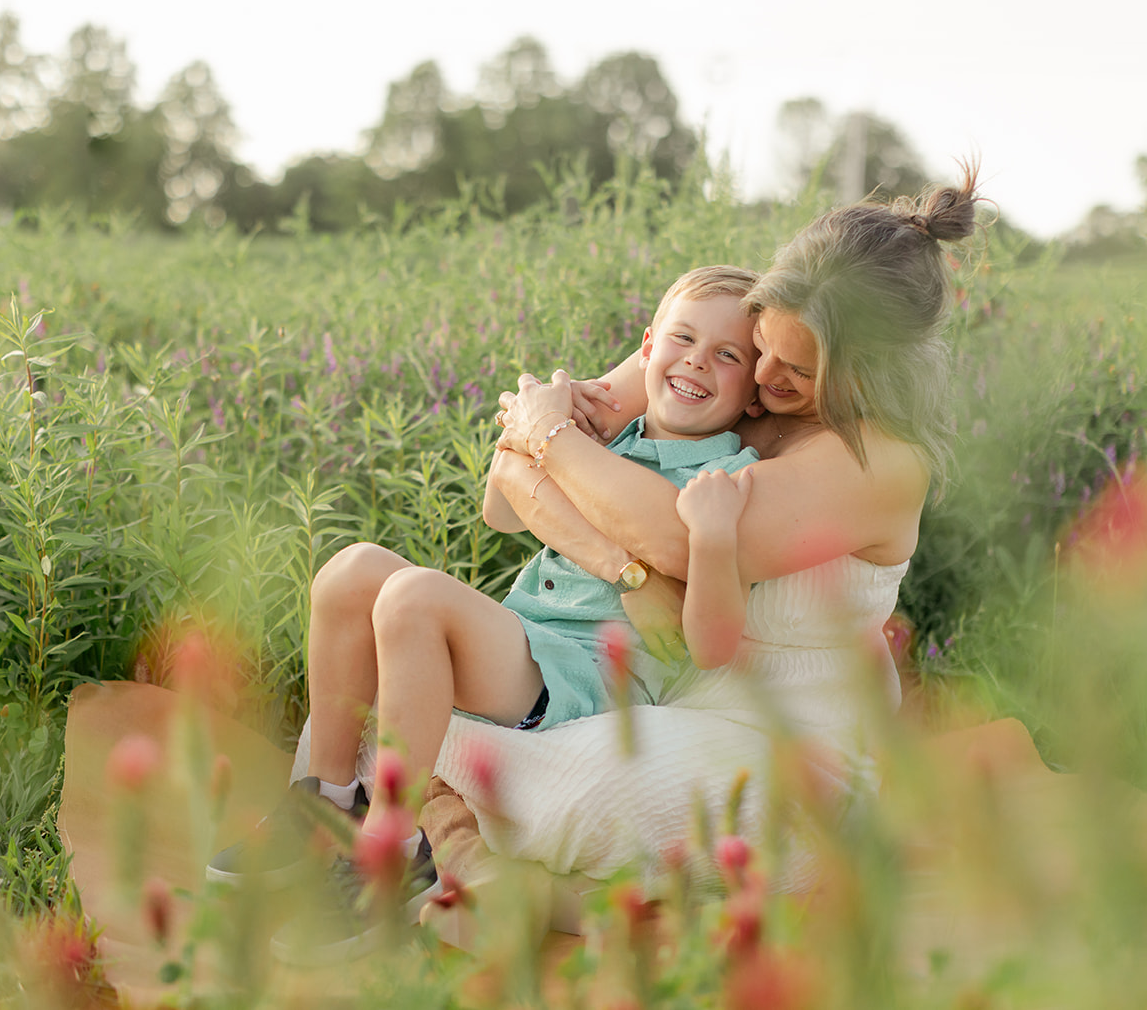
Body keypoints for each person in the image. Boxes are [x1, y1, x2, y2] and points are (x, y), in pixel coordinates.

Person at [423, 167, 981, 893]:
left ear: (870, 371)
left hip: (782, 735)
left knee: (586, 789)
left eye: (800, 369)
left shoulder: (880, 462)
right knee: (425, 701)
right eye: (763, 343)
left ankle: (509, 880)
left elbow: (673, 537)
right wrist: (547, 442)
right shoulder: (729, 357)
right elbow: (519, 453)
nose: (764, 377)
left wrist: (553, 437)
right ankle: (473, 850)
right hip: (665, 687)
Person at [219, 265, 768, 961]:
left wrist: (559, 455)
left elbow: (704, 613)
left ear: (753, 393)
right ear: (648, 347)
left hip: (590, 675)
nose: (697, 360)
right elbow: (500, 506)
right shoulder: (610, 436)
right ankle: (328, 798)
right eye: (683, 339)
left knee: (413, 596)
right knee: (351, 570)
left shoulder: (721, 479)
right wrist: (554, 422)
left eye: (728, 355)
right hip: (526, 639)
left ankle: (395, 849)